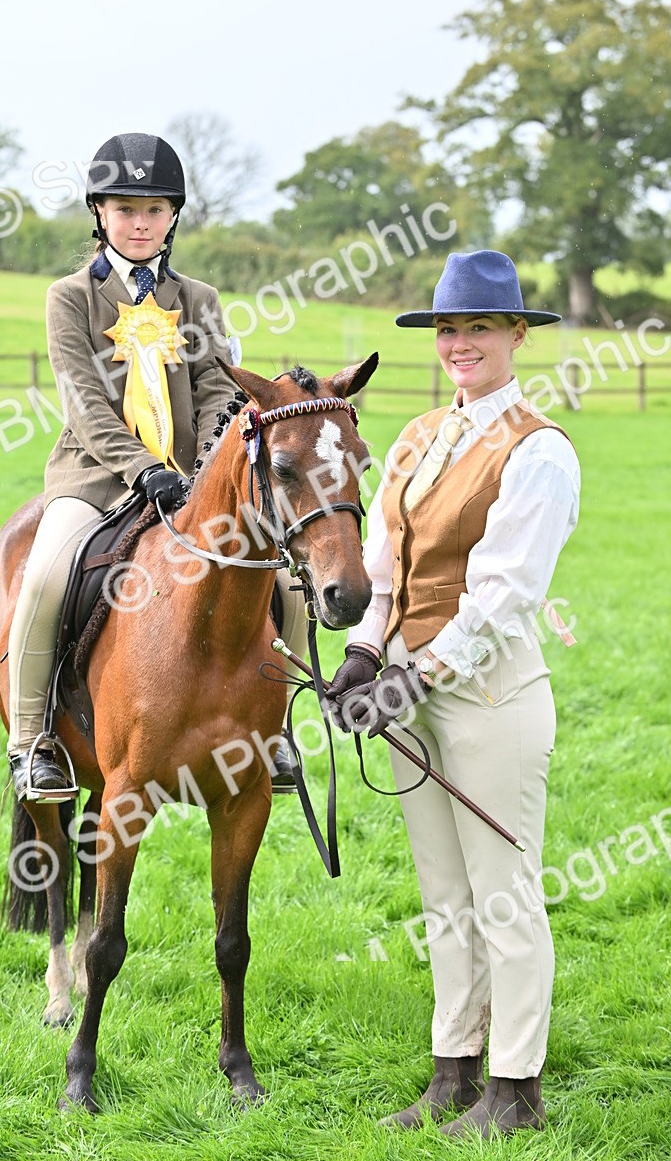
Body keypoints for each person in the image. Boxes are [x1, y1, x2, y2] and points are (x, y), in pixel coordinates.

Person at [326, 250, 580, 1139]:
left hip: (490, 696)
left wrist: (414, 676)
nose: (460, 343)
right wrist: (364, 652)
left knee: (503, 893)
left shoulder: (538, 449)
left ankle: (516, 1092)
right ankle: (453, 1072)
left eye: (479, 327)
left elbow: (504, 594)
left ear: (517, 334)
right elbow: (385, 564)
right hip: (412, 689)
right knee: (445, 894)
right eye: (447, 329)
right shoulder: (420, 433)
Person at [7, 132, 304, 803]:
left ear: (173, 217)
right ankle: (31, 742)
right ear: (100, 214)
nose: (139, 223)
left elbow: (217, 391)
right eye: (125, 209)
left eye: (154, 210)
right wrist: (141, 468)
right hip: (95, 478)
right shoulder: (70, 298)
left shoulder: (198, 297)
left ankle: (276, 732)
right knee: (47, 578)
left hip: (191, 483)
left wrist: (202, 469)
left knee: (285, 583)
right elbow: (82, 398)